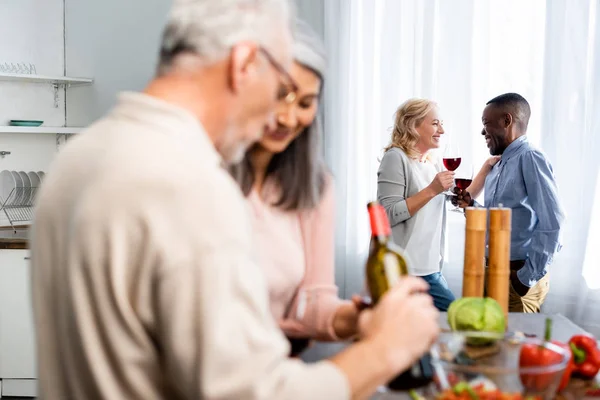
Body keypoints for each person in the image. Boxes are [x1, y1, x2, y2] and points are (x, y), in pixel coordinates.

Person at [30, 1, 440, 399]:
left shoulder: (76, 158)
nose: (278, 113)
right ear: (245, 63)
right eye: (278, 85)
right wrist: (387, 348)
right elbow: (254, 393)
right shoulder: (195, 185)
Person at [230, 19, 361, 357]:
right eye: (279, 97)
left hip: (272, 376)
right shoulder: (205, 180)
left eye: (304, 103)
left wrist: (358, 319)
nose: (289, 118)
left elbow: (314, 301)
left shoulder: (316, 187)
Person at [454, 93, 565, 313]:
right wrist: (473, 207)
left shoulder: (530, 157)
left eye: (486, 124)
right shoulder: (499, 163)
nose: (482, 131)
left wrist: (525, 278)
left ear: (507, 121)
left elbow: (553, 221)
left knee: (514, 344)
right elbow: (504, 216)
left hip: (516, 278)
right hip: (493, 272)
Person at [377, 99, 456, 311]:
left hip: (430, 267)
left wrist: (486, 168)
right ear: (413, 125)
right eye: (435, 123)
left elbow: (453, 196)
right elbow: (387, 213)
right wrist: (431, 190)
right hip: (405, 270)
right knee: (455, 316)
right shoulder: (396, 158)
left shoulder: (433, 162)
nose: (442, 130)